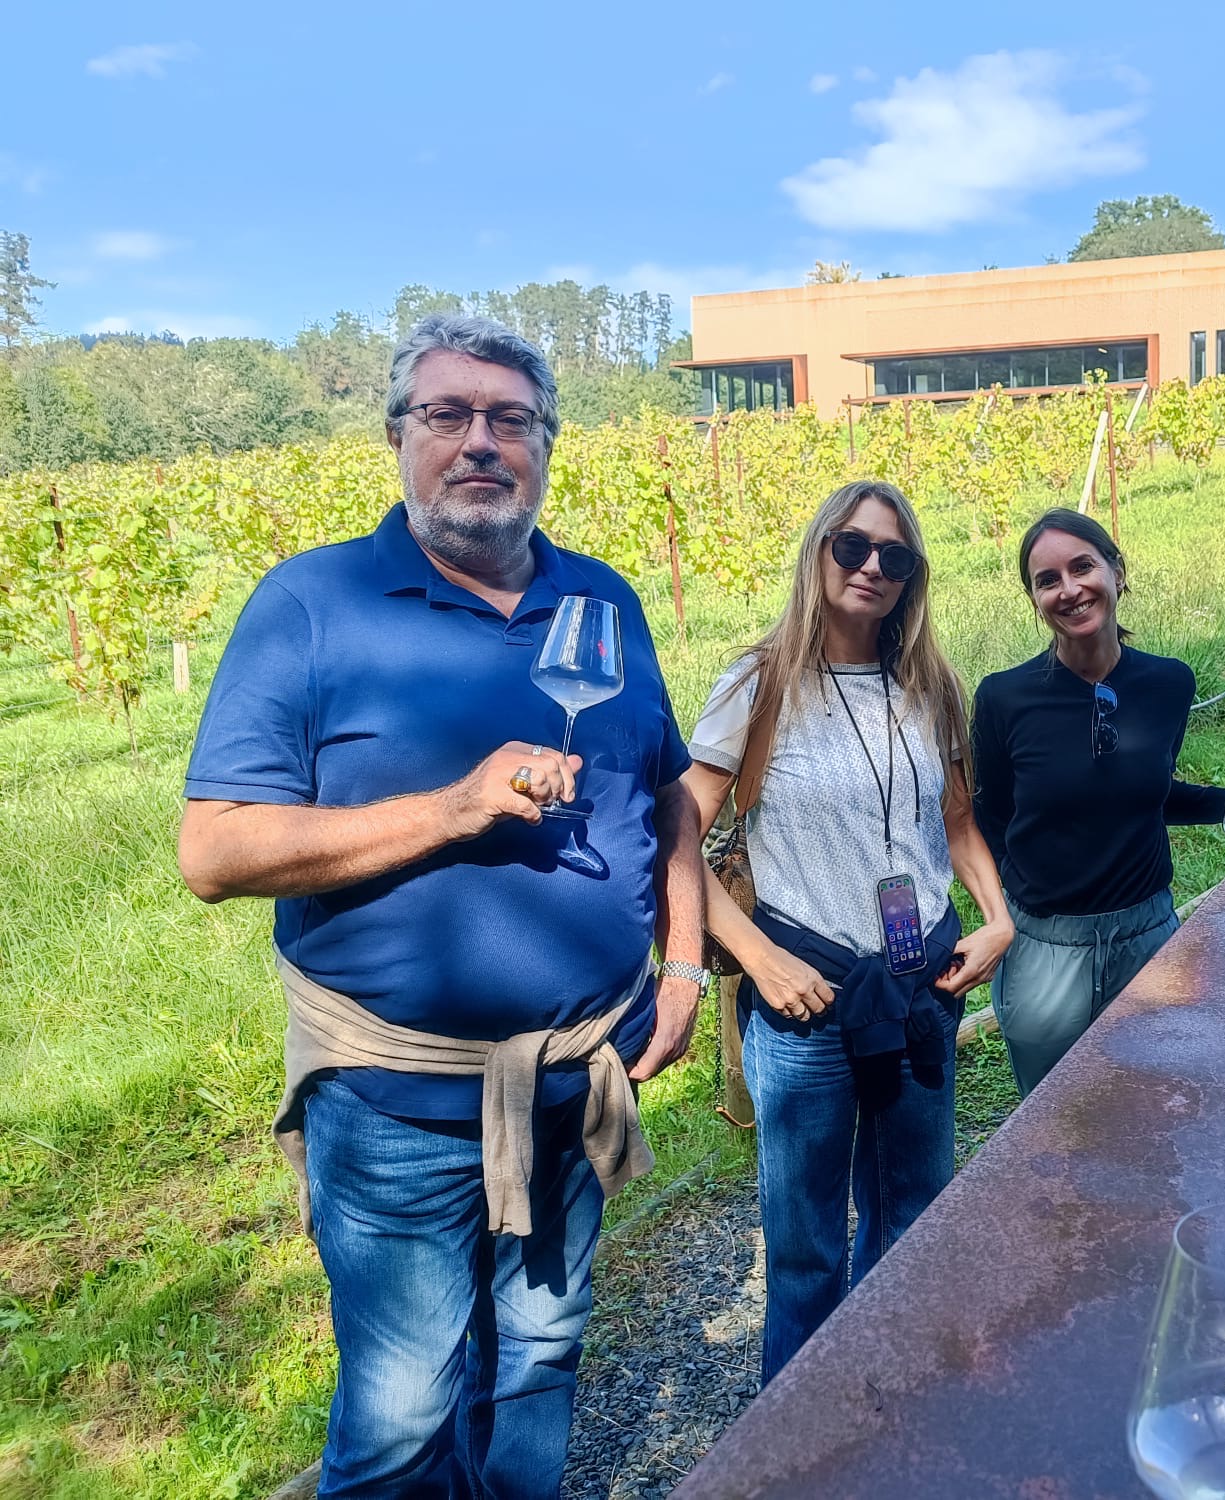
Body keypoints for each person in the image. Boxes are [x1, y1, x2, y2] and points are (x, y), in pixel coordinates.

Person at [176, 314, 706, 1499]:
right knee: (402, 1414)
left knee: (540, 1358)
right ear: (398, 436)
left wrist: (682, 969)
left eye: (510, 419)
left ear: (545, 445)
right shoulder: (312, 603)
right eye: (447, 414)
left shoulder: (602, 598)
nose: (479, 442)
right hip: (395, 1106)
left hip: (576, 1078)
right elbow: (213, 850)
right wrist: (454, 808)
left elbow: (668, 797)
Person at [682, 478, 1012, 1383]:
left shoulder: (930, 686)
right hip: (807, 1003)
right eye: (853, 546)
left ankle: (888, 1407)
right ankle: (797, 1437)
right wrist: (758, 958)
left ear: (912, 578)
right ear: (819, 550)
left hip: (921, 989)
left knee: (913, 1219)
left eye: (894, 556)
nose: (872, 567)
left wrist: (999, 920)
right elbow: (675, 838)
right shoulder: (759, 684)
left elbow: (956, 824)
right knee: (805, 1254)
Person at [972, 508, 1225, 1095]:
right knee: (1054, 1116)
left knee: (1155, 1106)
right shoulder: (1003, 698)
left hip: (1148, 940)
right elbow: (988, 818)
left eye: (1083, 567)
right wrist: (1012, 909)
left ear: (1116, 571)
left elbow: (1143, 796)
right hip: (1044, 951)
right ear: (1034, 598)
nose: (1069, 589)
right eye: (1047, 580)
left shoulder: (1168, 684)